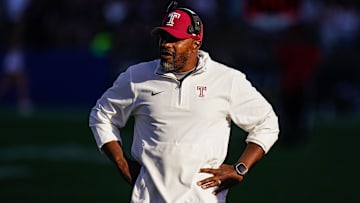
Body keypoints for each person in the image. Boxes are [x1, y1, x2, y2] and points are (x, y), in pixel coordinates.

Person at [89, 1, 279, 202]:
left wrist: (241, 169)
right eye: (163, 37)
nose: (166, 44)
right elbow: (101, 115)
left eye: (175, 39)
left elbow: (267, 123)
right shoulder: (137, 76)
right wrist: (121, 162)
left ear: (195, 43)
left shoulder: (226, 79)